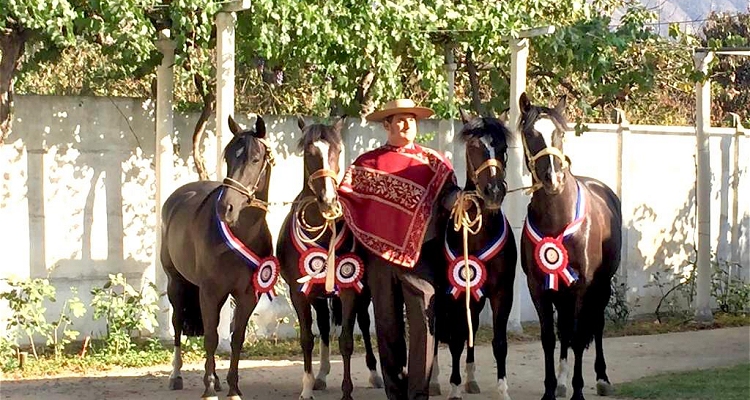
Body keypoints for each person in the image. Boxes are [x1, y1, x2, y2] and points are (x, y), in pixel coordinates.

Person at [337, 99, 460, 400]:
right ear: (386, 125)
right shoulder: (365, 164)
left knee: (423, 330)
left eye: (411, 120)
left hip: (422, 259)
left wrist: (459, 200)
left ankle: (418, 395)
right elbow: (345, 200)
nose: (406, 125)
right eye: (399, 120)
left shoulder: (434, 163)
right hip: (379, 262)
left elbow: (448, 195)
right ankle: (395, 394)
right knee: (387, 329)